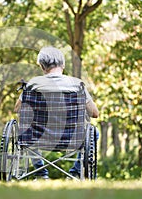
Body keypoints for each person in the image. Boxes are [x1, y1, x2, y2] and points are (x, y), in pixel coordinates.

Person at [14, 46, 99, 179]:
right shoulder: (77, 85)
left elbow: (17, 109)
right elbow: (95, 113)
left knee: (27, 129)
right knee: (94, 133)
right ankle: (75, 172)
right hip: (71, 138)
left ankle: (40, 173)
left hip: (37, 137)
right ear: (63, 64)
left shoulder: (32, 84)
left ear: (42, 66)